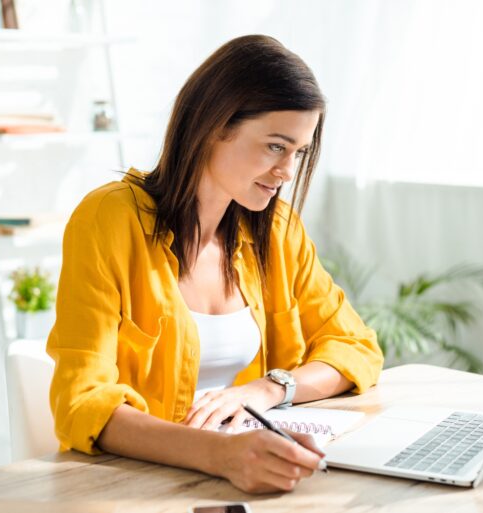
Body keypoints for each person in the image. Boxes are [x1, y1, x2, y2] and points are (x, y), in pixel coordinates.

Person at [47, 34, 384, 494]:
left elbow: (355, 347)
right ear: (213, 126)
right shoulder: (108, 220)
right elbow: (81, 402)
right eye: (275, 147)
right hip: (136, 486)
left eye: (299, 152)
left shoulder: (277, 230)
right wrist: (220, 457)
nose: (287, 171)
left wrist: (269, 389)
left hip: (250, 477)